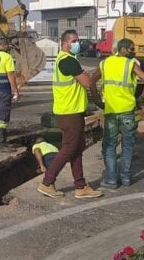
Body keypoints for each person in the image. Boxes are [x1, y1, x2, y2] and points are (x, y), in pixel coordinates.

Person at [38, 29, 103, 199]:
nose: (77, 43)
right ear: (65, 43)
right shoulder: (68, 61)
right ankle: (47, 182)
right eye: (74, 40)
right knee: (69, 148)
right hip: (69, 112)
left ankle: (80, 186)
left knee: (77, 149)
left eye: (78, 40)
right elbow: (87, 82)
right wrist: (88, 76)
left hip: (71, 111)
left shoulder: (67, 60)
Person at [91, 38, 144, 189]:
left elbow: (91, 82)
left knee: (110, 146)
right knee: (128, 146)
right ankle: (125, 178)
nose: (133, 51)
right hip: (128, 112)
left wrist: (98, 100)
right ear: (122, 49)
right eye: (130, 49)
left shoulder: (105, 63)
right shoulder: (131, 64)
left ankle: (111, 180)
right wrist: (141, 99)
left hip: (111, 111)